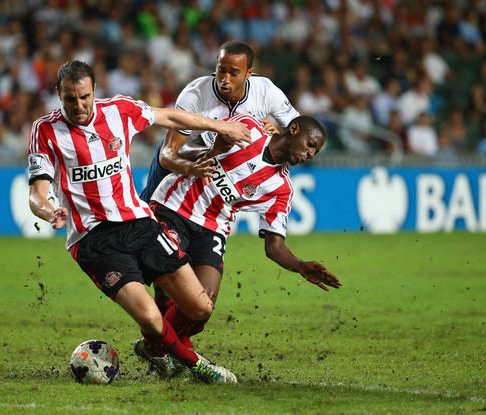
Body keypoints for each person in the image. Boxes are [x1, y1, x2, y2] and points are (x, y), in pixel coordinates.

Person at [27, 60, 252, 384]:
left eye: (85, 97)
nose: (79, 106)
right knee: (148, 315)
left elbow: (170, 116)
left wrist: (220, 127)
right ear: (58, 95)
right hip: (94, 240)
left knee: (199, 307)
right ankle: (199, 367)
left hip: (140, 223)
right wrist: (50, 211)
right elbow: (37, 193)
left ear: (94, 91)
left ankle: (157, 349)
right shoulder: (45, 131)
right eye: (70, 99)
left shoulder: (119, 110)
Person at [135, 113, 341, 375]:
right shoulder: (248, 129)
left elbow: (274, 246)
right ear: (294, 129)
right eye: (310, 144)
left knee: (202, 306)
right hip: (174, 206)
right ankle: (167, 351)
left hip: (213, 227)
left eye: (316, 151)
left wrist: (300, 266)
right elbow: (184, 149)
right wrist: (212, 149)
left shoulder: (282, 189)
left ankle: (155, 346)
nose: (311, 153)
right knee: (170, 285)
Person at [139, 40, 300, 202]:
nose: (225, 79)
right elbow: (166, 156)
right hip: (184, 161)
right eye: (221, 70)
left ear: (249, 73)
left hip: (222, 167)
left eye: (234, 73)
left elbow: (301, 130)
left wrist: (279, 133)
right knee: (148, 210)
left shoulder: (266, 92)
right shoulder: (195, 95)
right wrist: (191, 168)